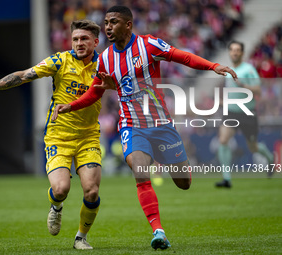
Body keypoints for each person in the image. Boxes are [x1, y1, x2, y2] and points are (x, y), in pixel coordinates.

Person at [52, 6, 237, 250]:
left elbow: (185, 57)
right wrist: (72, 106)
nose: (108, 26)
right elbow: (95, 91)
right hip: (131, 125)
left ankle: (163, 158)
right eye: (106, 22)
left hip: (161, 125)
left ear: (128, 25)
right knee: (141, 172)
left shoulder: (149, 46)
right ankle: (158, 231)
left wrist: (213, 66)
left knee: (184, 182)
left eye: (114, 22)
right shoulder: (105, 58)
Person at [0, 20, 103, 250]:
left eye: (84, 39)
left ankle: (81, 237)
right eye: (76, 39)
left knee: (92, 190)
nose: (79, 43)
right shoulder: (60, 61)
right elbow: (24, 75)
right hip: (59, 135)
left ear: (95, 42)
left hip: (88, 136)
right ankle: (56, 207)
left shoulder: (105, 64)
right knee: (61, 189)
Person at [216, 40, 274, 188]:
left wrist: (243, 85)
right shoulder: (228, 72)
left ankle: (270, 158)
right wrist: (224, 101)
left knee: (253, 147)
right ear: (229, 52)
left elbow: (259, 91)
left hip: (247, 113)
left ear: (242, 53)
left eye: (237, 50)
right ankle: (227, 179)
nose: (234, 52)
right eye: (232, 50)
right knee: (223, 140)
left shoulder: (248, 70)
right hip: (231, 112)